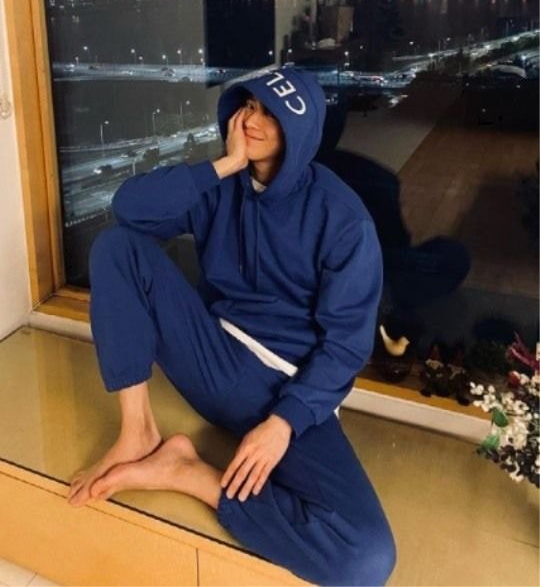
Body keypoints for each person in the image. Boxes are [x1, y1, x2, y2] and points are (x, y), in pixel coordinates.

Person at [68, 66, 396, 586]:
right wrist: (222, 166)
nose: (252, 121)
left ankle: (191, 475)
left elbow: (346, 347)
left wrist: (283, 423)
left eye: (271, 113)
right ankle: (138, 432)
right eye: (248, 106)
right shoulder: (220, 187)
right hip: (212, 358)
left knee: (366, 559)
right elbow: (128, 208)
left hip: (282, 390)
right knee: (115, 247)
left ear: (301, 128)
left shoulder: (342, 219)